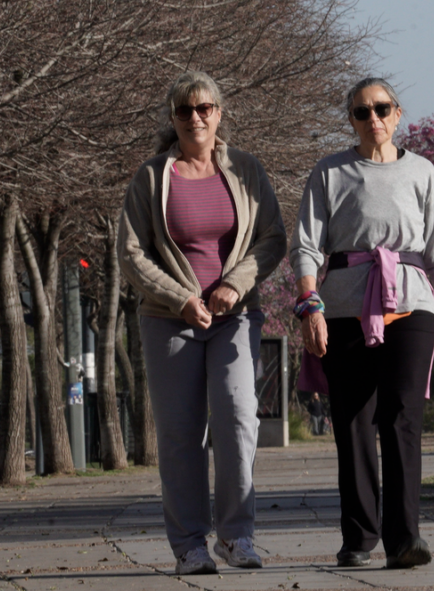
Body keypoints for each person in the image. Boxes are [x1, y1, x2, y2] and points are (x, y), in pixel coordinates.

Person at [118, 71, 287, 576]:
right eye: (185, 110)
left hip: (236, 316)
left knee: (238, 416)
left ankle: (237, 537)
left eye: (205, 108)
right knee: (180, 432)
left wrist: (235, 283)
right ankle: (190, 545)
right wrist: (180, 298)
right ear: (172, 118)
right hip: (171, 321)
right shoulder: (152, 177)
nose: (196, 118)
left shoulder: (246, 170)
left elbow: (272, 238)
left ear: (219, 113)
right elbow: (131, 254)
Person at [290, 77, 434, 569]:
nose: (374, 119)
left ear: (398, 113)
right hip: (344, 306)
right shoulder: (329, 172)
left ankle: (405, 539)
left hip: (412, 305)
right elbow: (306, 245)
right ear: (351, 120)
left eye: (382, 109)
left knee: (403, 418)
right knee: (354, 422)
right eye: (362, 112)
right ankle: (358, 539)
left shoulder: (422, 171)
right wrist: (310, 306)